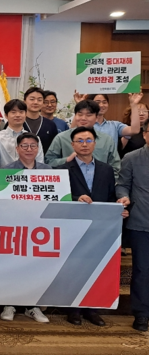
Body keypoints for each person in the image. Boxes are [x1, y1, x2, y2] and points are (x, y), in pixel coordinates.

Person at [63, 126, 130, 327]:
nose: (84, 144)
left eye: (88, 140)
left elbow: (110, 197)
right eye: (80, 141)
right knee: (74, 268)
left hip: (100, 228)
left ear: (95, 143)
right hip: (73, 226)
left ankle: (92, 309)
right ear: (72, 144)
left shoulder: (106, 169)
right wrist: (76, 198)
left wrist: (118, 210)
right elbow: (59, 198)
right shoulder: (62, 170)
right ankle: (73, 309)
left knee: (96, 268)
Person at [0, 133, 52, 324]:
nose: (29, 149)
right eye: (24, 146)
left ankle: (33, 306)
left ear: (38, 149)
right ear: (17, 148)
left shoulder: (48, 171)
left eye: (32, 146)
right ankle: (9, 304)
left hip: (40, 229)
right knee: (12, 266)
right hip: (15, 227)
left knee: (36, 267)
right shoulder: (6, 171)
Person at [116, 120, 149, 332]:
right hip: (141, 222)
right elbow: (122, 185)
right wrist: (123, 197)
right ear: (145, 134)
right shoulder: (132, 158)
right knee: (142, 270)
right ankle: (141, 314)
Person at [46, 100, 121, 178]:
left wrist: (108, 183)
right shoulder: (61, 138)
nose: (83, 118)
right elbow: (48, 162)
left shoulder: (106, 140)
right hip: (70, 182)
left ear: (96, 117)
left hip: (100, 182)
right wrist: (67, 160)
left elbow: (115, 166)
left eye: (89, 115)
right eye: (80, 114)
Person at [0, 99, 45, 169]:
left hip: (27, 175)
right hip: (5, 174)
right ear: (6, 115)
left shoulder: (34, 139)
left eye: (21, 112)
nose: (18, 115)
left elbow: (40, 162)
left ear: (26, 114)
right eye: (13, 112)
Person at [77, 92, 145, 145]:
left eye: (104, 102)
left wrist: (134, 105)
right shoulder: (84, 124)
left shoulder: (115, 125)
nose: (101, 105)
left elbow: (135, 130)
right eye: (97, 102)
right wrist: (80, 106)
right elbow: (72, 130)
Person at [23, 87, 59, 153]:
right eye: (32, 99)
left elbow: (55, 149)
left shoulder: (50, 125)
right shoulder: (16, 122)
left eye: (39, 100)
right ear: (24, 101)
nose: (35, 102)